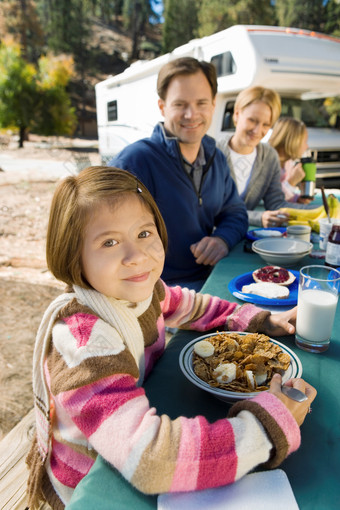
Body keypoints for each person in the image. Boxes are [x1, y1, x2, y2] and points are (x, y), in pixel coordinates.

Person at [26, 166, 316, 510]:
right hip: (90, 479)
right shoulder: (84, 343)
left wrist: (256, 319)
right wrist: (266, 427)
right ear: (73, 256)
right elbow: (150, 460)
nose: (137, 257)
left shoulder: (144, 292)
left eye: (145, 233)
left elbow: (189, 304)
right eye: (109, 242)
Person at [111, 57, 248, 291]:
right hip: (158, 293)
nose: (191, 114)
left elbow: (235, 212)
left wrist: (222, 239)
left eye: (201, 103)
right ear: (162, 107)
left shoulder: (216, 158)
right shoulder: (134, 162)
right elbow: (109, 243)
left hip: (210, 279)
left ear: (214, 105)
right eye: (180, 104)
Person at [217, 86, 316, 228]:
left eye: (266, 124)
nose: (258, 131)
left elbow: (276, 204)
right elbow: (214, 210)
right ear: (236, 114)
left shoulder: (269, 156)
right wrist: (258, 217)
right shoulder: (214, 152)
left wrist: (323, 210)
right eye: (252, 120)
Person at [269, 117, 313, 204]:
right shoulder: (268, 163)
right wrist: (291, 182)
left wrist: (296, 199)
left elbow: (286, 196)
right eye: (304, 142)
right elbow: (271, 197)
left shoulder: (288, 163)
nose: (306, 146)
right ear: (293, 141)